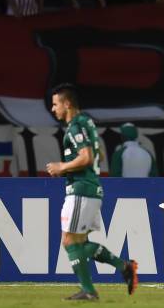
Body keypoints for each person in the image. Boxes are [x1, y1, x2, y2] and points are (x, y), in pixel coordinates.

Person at [45, 84, 138, 301]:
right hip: (89, 188)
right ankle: (122, 268)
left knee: (70, 242)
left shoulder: (76, 126)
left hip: (81, 189)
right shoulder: (86, 122)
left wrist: (62, 167)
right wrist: (74, 165)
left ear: (67, 104)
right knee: (78, 242)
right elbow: (99, 157)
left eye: (55, 104)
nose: (52, 109)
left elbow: (86, 158)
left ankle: (92, 288)